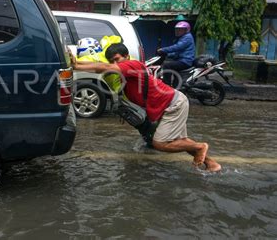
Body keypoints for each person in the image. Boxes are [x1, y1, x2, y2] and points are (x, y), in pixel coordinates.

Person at [70, 43, 222, 172]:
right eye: (112, 61)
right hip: (170, 104)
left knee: (160, 143)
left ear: (126, 56)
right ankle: (211, 163)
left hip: (172, 104)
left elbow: (104, 67)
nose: (115, 63)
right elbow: (100, 69)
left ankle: (201, 147)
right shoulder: (126, 72)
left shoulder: (133, 65)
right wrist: (75, 65)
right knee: (179, 140)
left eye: (117, 59)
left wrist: (76, 65)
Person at [157, 21, 196, 85]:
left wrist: (163, 50)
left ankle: (166, 85)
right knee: (170, 64)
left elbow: (177, 47)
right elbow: (178, 52)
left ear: (186, 30)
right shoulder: (182, 38)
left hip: (185, 61)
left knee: (167, 65)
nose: (178, 31)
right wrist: (168, 54)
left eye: (180, 30)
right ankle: (176, 86)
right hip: (181, 60)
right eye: (177, 29)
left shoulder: (187, 37)